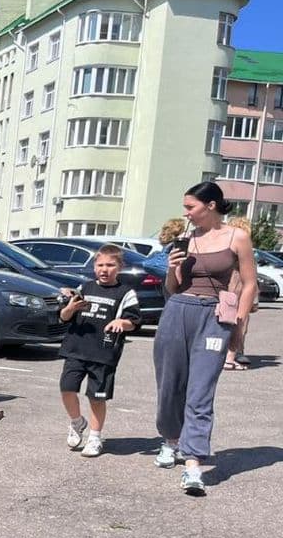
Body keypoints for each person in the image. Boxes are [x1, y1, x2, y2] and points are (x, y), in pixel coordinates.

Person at [153, 182, 257, 495]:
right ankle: (171, 439)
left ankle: (193, 465)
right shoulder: (186, 239)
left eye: (190, 207)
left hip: (215, 317)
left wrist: (238, 323)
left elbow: (249, 284)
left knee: (200, 391)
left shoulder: (236, 237)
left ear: (210, 205)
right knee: (170, 386)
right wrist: (171, 269)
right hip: (178, 311)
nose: (186, 213)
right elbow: (173, 288)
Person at [58, 244, 141, 458]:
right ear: (94, 266)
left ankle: (95, 437)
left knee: (96, 397)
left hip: (104, 353)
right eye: (100, 265)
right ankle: (77, 422)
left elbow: (134, 321)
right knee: (67, 389)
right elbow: (64, 317)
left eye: (110, 265)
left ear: (120, 267)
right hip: (76, 348)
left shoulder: (126, 293)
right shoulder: (85, 287)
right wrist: (70, 308)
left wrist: (122, 323)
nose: (105, 269)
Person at [222, 216, 255, 371]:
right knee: (239, 320)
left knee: (229, 319)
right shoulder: (242, 245)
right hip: (237, 286)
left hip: (231, 285)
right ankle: (232, 355)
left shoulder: (226, 243)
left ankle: (232, 352)